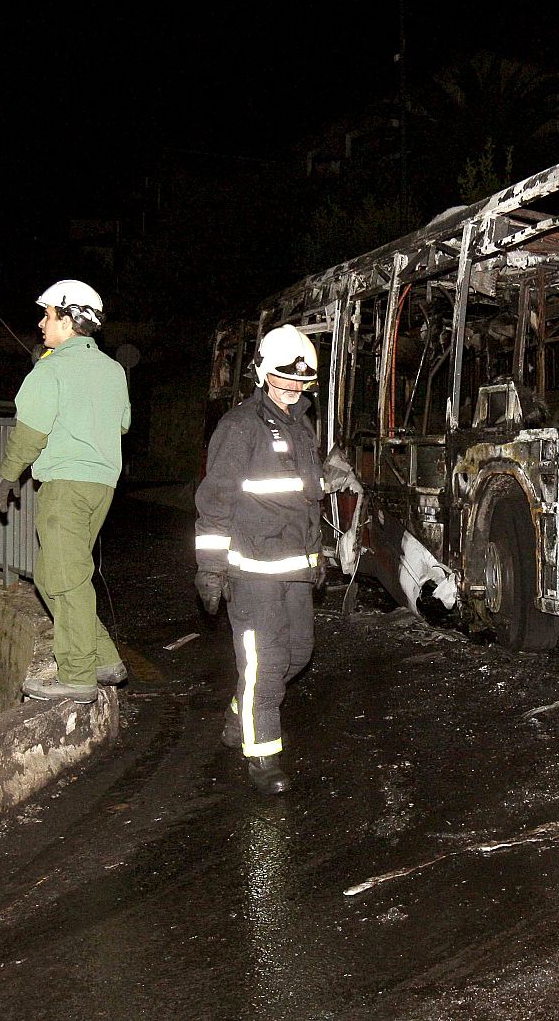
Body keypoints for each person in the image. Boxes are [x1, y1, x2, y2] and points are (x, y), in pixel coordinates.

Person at [195, 324, 350, 795]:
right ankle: (263, 757)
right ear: (263, 373)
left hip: (295, 570)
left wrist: (318, 549)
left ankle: (238, 714)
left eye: (302, 382)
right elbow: (215, 501)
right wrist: (210, 567)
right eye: (285, 379)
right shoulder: (239, 428)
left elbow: (300, 495)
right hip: (253, 572)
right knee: (266, 664)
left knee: (298, 655)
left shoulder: (301, 426)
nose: (293, 387)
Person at [0, 280, 131, 703]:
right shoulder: (113, 370)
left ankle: (76, 676)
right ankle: (104, 658)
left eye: (48, 314)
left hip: (65, 486)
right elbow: (122, 423)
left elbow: (30, 432)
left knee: (67, 578)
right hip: (102, 486)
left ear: (68, 321)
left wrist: (8, 476)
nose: (41, 322)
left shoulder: (49, 369)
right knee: (55, 573)